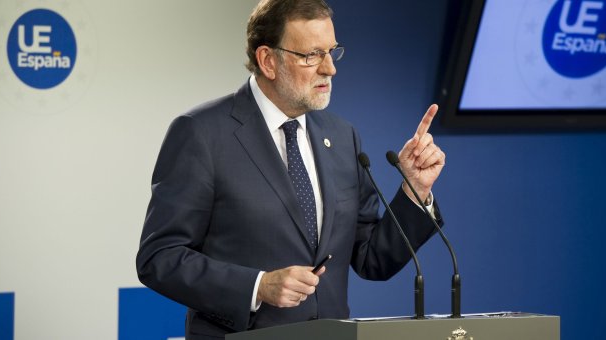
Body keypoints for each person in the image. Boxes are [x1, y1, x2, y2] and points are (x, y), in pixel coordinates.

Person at [136, 0, 446, 339]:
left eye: (332, 51)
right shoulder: (202, 133)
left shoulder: (342, 137)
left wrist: (415, 191)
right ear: (268, 61)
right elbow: (159, 258)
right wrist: (258, 286)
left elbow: (373, 258)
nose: (330, 69)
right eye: (312, 55)